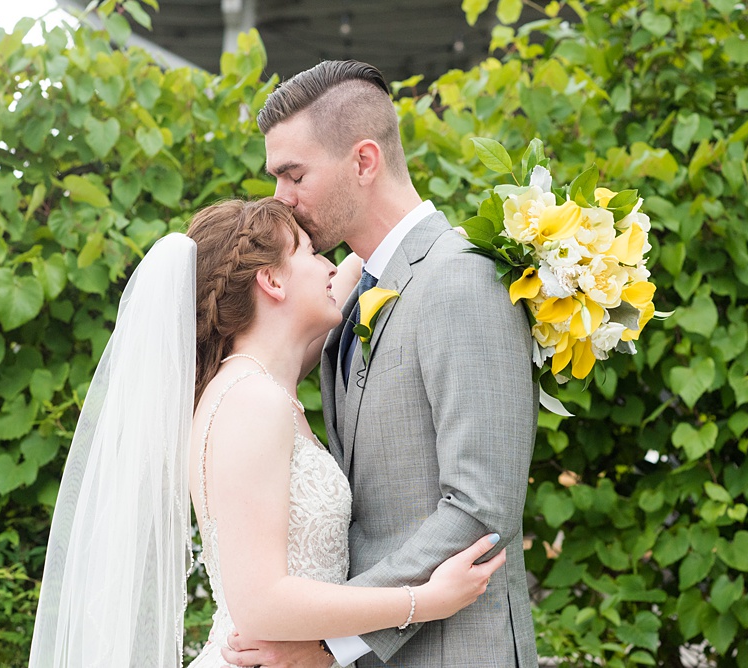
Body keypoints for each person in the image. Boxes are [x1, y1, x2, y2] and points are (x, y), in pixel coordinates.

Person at [27, 198, 506, 668]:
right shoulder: (251, 401)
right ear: (271, 280)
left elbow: (354, 268)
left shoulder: (262, 383)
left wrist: (426, 240)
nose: (328, 267)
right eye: (311, 253)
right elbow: (261, 602)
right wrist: (421, 601)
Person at [224, 61, 539, 668]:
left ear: (364, 161)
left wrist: (329, 643)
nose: (280, 201)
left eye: (294, 175)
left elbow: (480, 509)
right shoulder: (346, 298)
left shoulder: (460, 277)